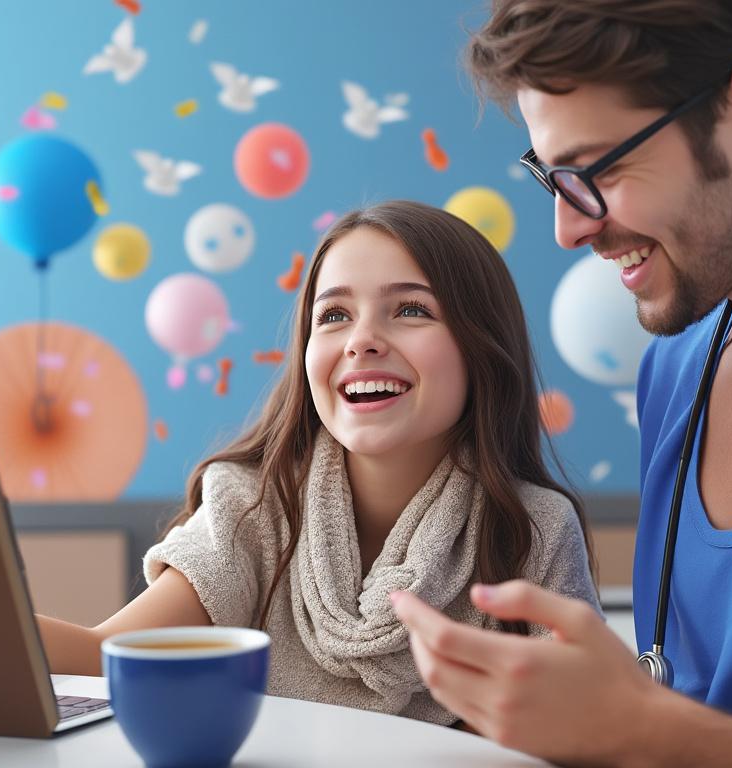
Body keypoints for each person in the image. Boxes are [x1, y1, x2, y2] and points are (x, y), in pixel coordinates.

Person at [392, 0, 732, 763]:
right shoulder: (676, 370)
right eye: (554, 178)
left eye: (598, 168)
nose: (568, 229)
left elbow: (661, 728)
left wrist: (640, 727)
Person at [37, 200, 599, 725]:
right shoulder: (251, 506)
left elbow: (579, 727)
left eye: (410, 309)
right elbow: (104, 657)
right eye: (333, 315)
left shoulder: (536, 531)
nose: (362, 340)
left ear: (482, 347)